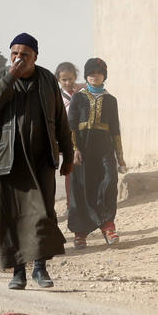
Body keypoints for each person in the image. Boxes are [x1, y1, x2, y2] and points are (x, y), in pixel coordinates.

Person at [0, 32, 73, 290]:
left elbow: (61, 121)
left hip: (41, 159)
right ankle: (18, 272)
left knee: (43, 214)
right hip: (8, 160)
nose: (19, 59)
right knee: (12, 216)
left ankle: (40, 269)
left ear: (35, 57)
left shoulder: (47, 80)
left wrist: (68, 153)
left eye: (24, 55)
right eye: (15, 54)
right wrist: (11, 76)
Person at [68, 58, 126, 249]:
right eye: (91, 73)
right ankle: (80, 232)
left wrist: (120, 156)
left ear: (104, 76)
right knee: (82, 187)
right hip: (83, 149)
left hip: (104, 147)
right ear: (86, 76)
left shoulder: (111, 100)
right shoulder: (78, 98)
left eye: (99, 73)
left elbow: (115, 129)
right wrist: (74, 149)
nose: (95, 76)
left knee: (109, 180)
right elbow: (71, 127)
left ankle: (108, 225)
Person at [55, 62, 86, 212]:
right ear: (59, 80)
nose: (68, 83)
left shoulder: (82, 92)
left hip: (83, 137)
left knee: (85, 171)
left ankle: (85, 203)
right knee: (70, 172)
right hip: (66, 139)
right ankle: (70, 205)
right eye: (64, 80)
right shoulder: (56, 97)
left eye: (71, 79)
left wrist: (81, 87)